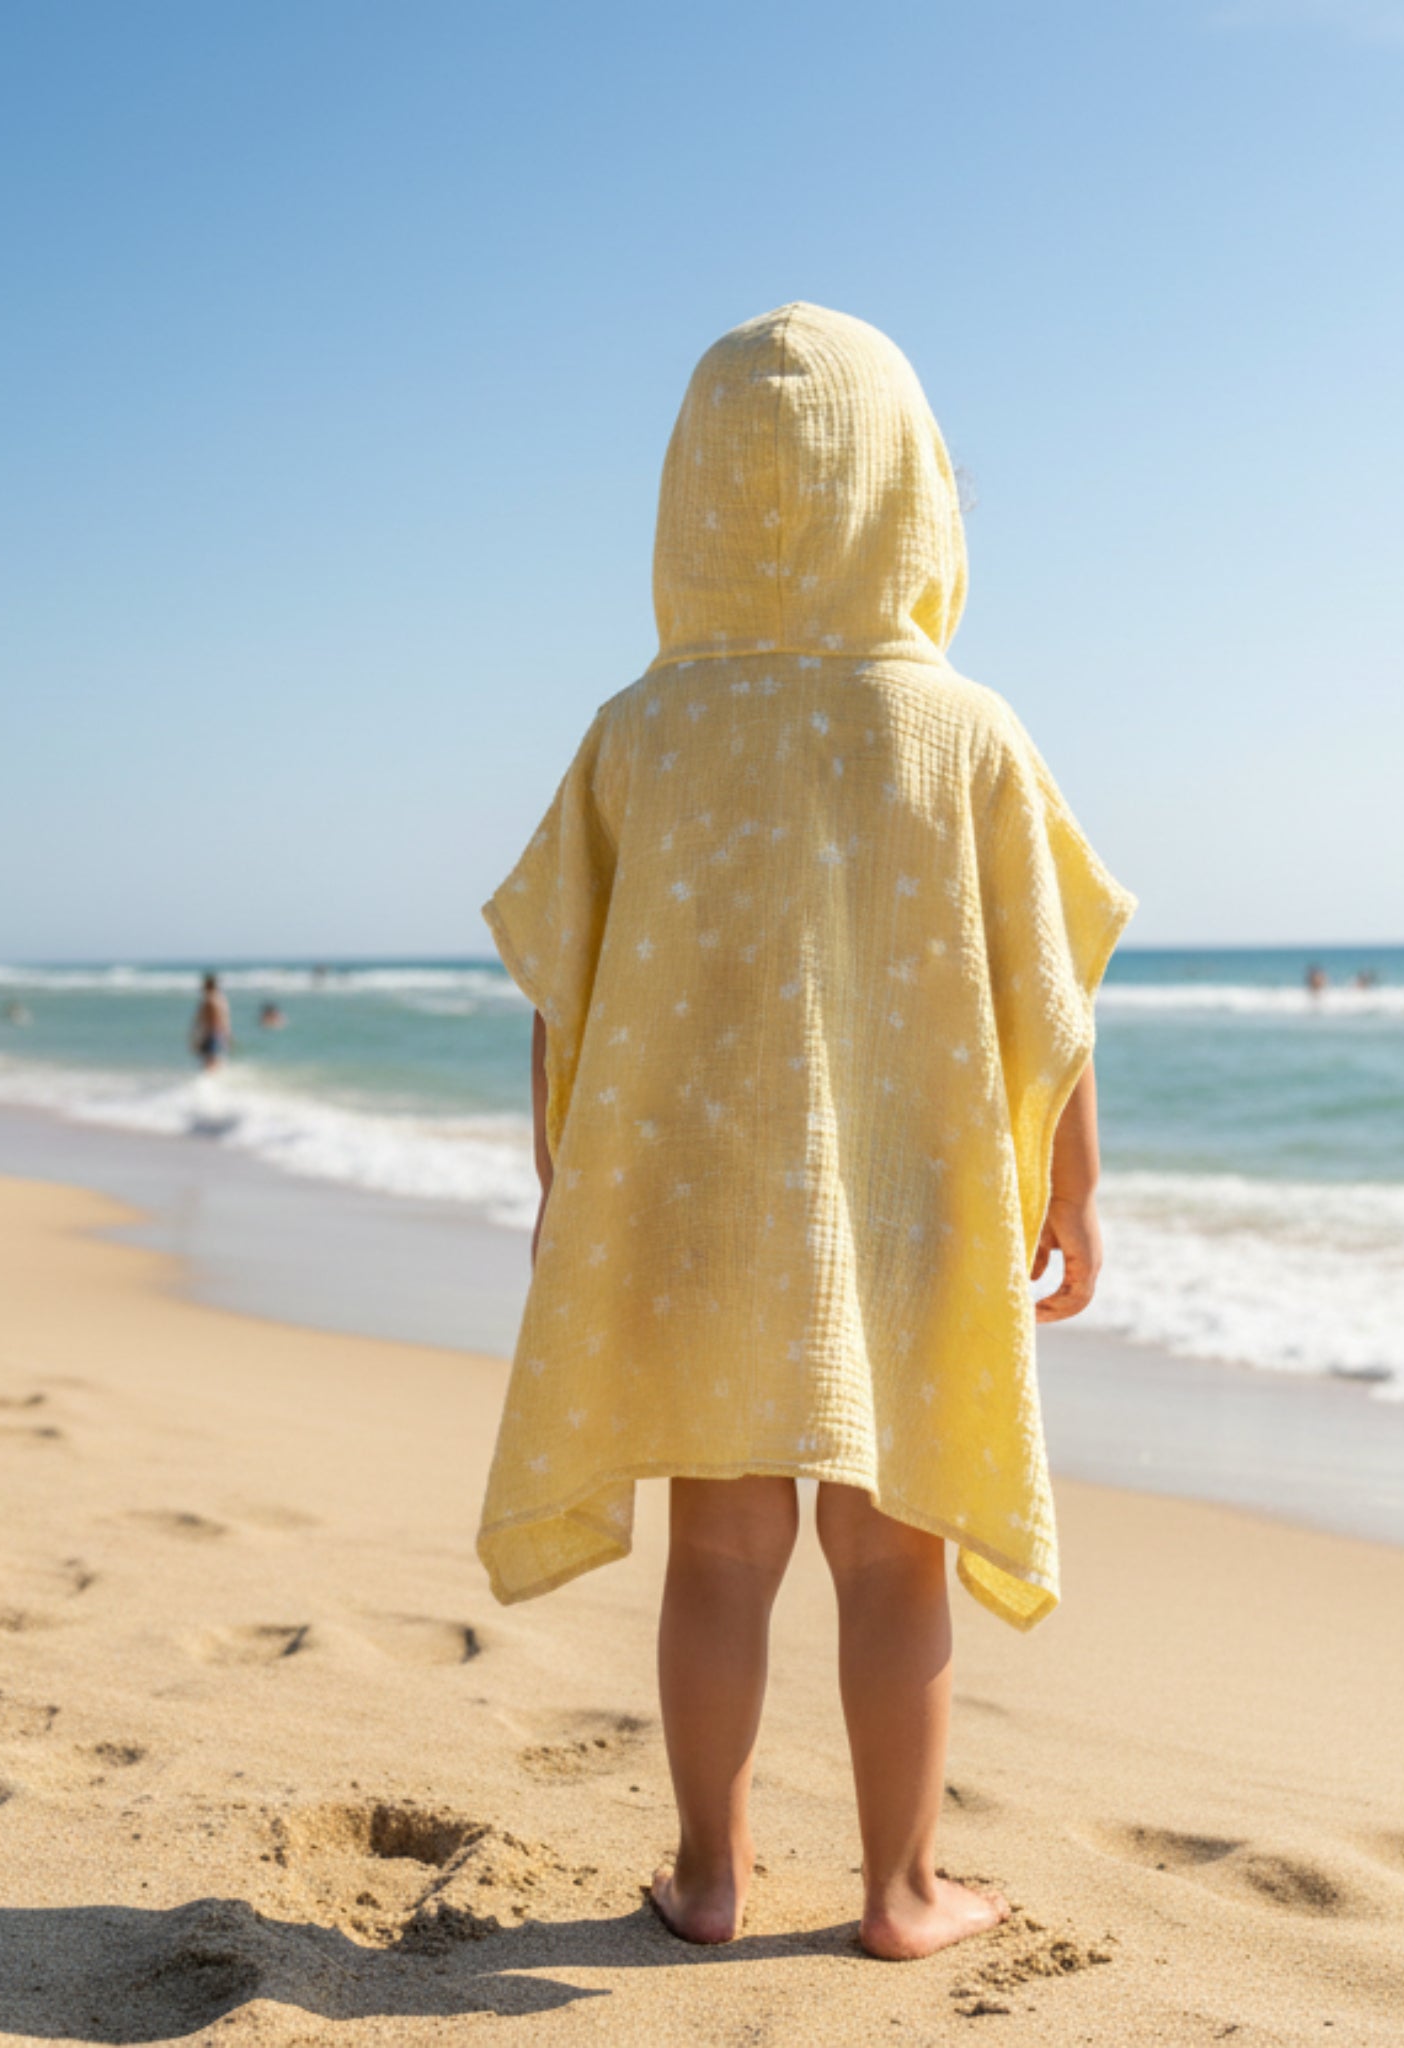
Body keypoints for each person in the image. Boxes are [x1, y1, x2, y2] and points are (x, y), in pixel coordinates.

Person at [477, 305, 1134, 1961]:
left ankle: (705, 1874)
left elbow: (567, 986)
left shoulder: (639, 730)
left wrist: (567, 1179)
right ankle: (901, 1890)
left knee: (717, 1544)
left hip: (700, 1200)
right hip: (914, 1198)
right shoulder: (966, 729)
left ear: (692, 500)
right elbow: (1041, 1001)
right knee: (891, 1556)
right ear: (913, 494)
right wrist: (1073, 1187)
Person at [189, 973, 232, 1069]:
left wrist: (197, 1038)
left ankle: (208, 1083)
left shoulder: (209, 1000)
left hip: (211, 1034)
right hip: (219, 1034)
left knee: (209, 1063)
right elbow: (225, 1020)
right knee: (215, 1061)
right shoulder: (221, 999)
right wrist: (227, 1035)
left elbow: (209, 1020)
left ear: (208, 985)